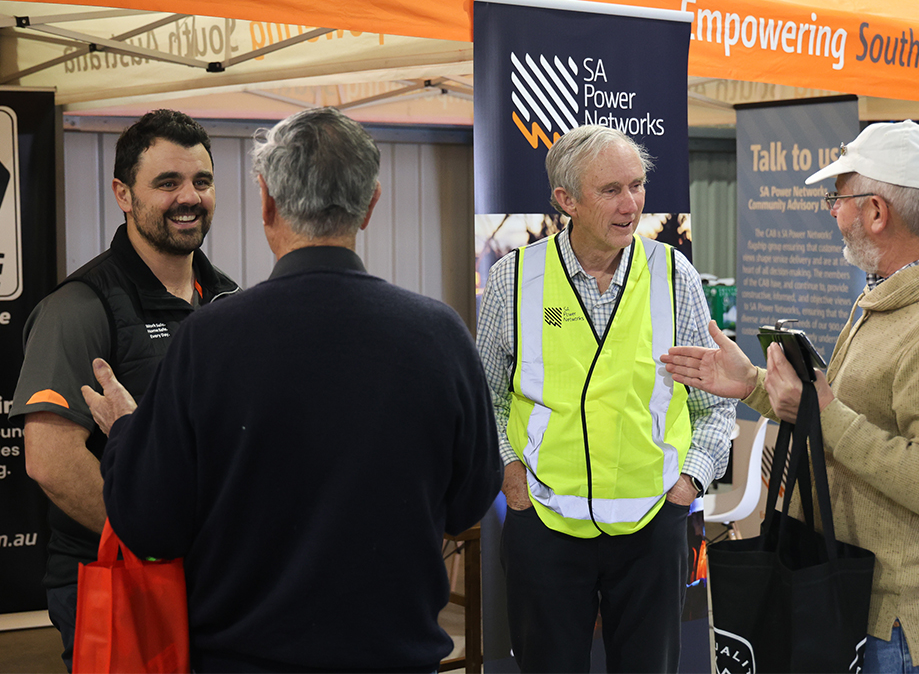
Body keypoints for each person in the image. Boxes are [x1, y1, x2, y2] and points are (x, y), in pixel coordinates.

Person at [82, 106, 502, 673]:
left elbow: (149, 523)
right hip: (396, 659)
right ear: (371, 202)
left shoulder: (209, 341)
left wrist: (128, 432)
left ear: (267, 202)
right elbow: (469, 502)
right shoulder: (440, 335)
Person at [663, 120, 919, 673]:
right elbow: (838, 416)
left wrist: (827, 414)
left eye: (836, 198)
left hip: (904, 634)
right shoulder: (895, 297)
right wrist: (750, 383)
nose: (832, 212)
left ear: (876, 212)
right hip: (855, 609)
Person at [476, 124, 736, 673]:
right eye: (611, 190)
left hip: (652, 526)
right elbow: (485, 400)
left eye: (637, 186)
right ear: (565, 200)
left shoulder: (674, 275)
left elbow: (714, 401)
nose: (631, 205)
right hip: (545, 523)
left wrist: (690, 480)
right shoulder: (514, 281)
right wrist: (510, 476)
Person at [10, 109, 239, 670]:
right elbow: (51, 460)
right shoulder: (79, 308)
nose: (189, 197)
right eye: (167, 183)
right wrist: (152, 536)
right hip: (118, 581)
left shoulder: (228, 301)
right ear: (123, 193)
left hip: (211, 578)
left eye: (201, 181)